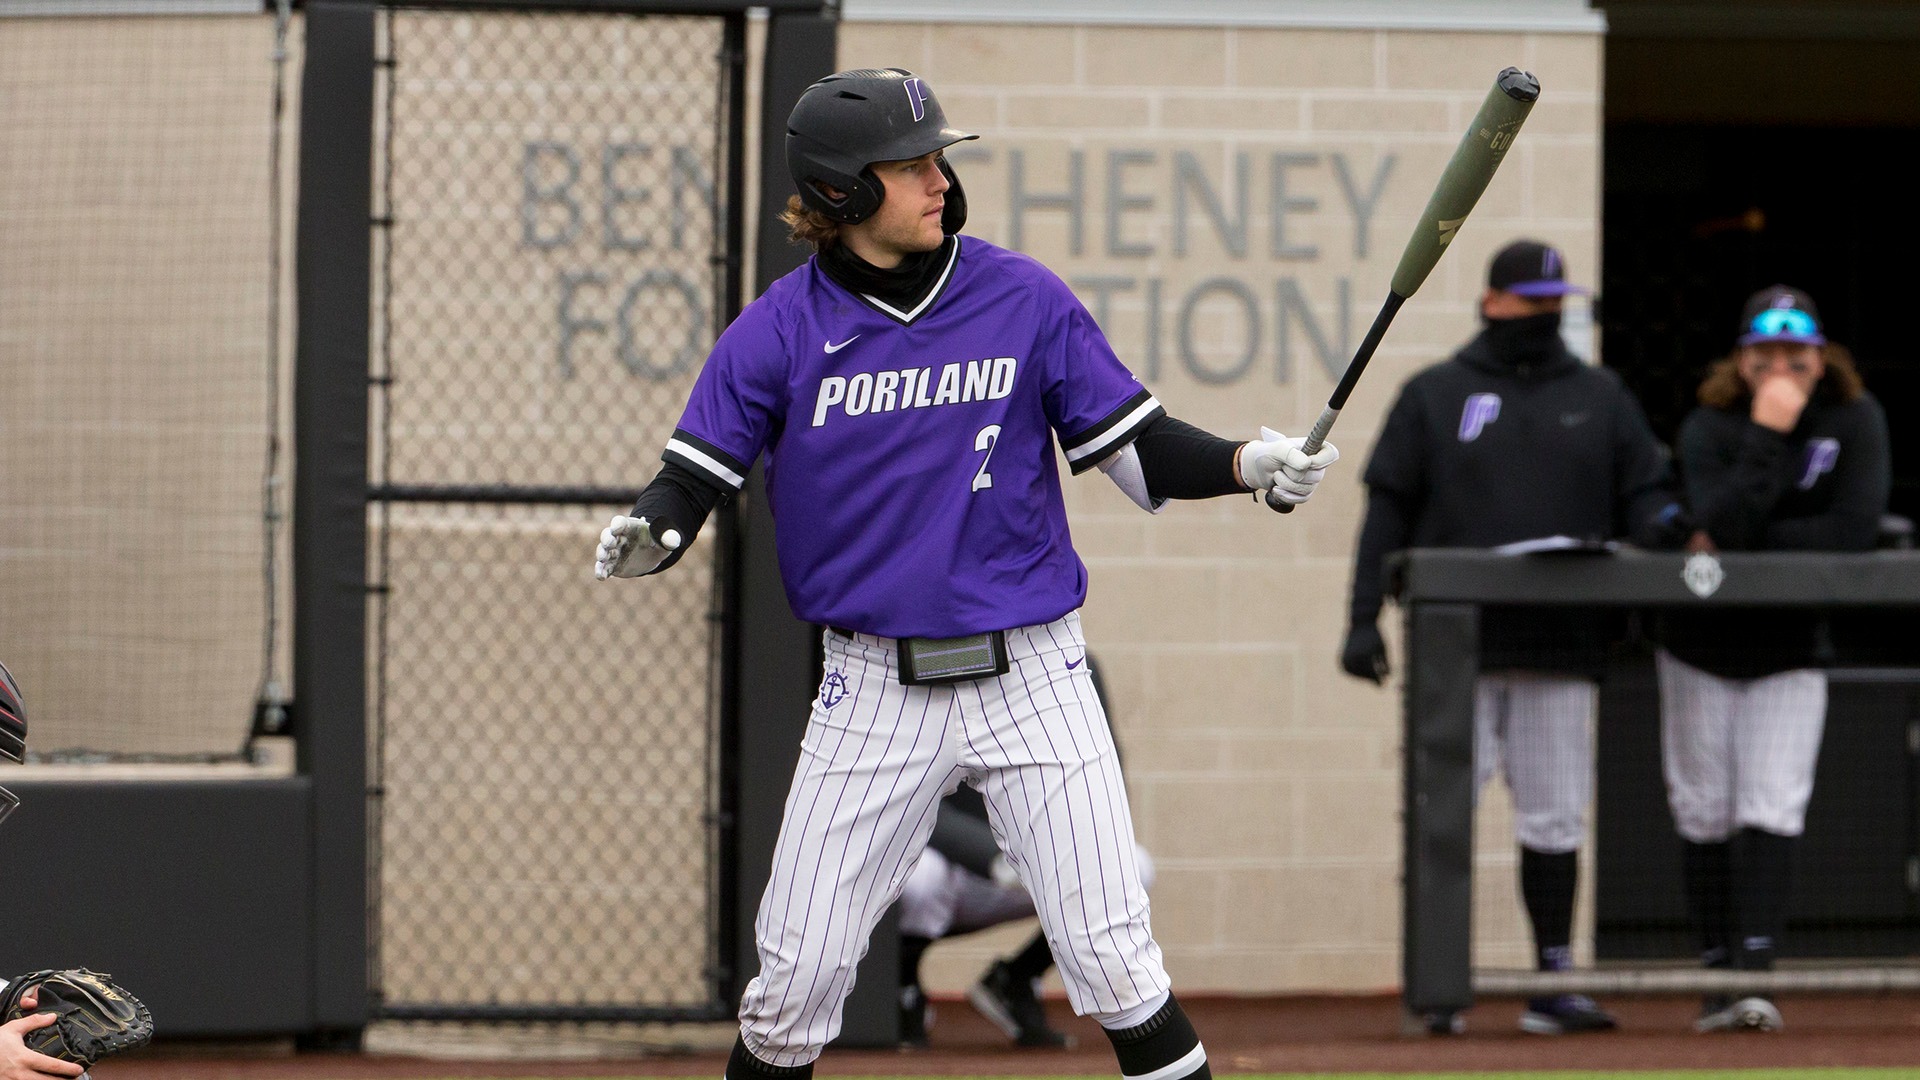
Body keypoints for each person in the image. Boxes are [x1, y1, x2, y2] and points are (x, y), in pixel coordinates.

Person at [593, 67, 1338, 1080]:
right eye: (910, 166)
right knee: (793, 989)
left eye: (939, 159)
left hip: (1033, 675)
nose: (940, 180)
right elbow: (694, 472)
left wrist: (1252, 466)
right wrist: (655, 524)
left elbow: (1137, 445)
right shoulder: (777, 328)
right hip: (870, 692)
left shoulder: (1020, 295)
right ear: (844, 193)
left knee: (1118, 966)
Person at [1340, 239, 1683, 1036]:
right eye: (1531, 299)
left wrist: (1667, 526)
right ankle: (1440, 993)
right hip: (1456, 651)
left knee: (1556, 819)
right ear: (1492, 301)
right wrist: (1360, 618)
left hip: (1561, 647)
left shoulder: (1601, 396)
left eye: (1554, 299)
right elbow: (1385, 510)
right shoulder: (1436, 392)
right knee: (1443, 816)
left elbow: (1646, 497)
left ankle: (1553, 980)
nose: (1545, 312)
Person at [1655, 285, 1890, 1034]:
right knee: (1704, 810)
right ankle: (1714, 972)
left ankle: (1754, 976)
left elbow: (1855, 533)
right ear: (1743, 360)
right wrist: (1767, 431)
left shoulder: (1855, 419)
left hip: (1790, 647)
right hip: (1699, 646)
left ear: (1822, 358)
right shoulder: (1709, 423)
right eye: (1765, 356)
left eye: (1797, 355)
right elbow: (1715, 521)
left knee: (1771, 802)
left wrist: (1750, 542)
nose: (1782, 368)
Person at [896, 656, 1148, 1051]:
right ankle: (904, 985)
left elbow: (1102, 780)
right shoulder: (935, 663)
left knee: (1131, 866)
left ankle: (1014, 980)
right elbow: (913, 803)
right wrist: (993, 857)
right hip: (954, 867)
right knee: (917, 876)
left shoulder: (1068, 664)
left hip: (1024, 862)